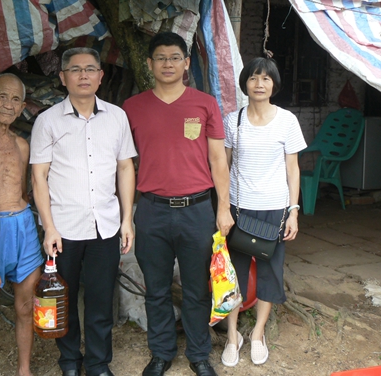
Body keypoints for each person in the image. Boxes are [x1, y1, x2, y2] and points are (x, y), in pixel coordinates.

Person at [122, 32, 234, 376]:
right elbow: (124, 164)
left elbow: (218, 159)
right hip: (151, 210)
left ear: (186, 63)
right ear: (149, 64)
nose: (167, 64)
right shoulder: (132, 108)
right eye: (160, 58)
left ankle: (199, 355)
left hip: (197, 211)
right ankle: (161, 353)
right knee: (155, 289)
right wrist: (127, 216)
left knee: (197, 289)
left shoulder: (205, 104)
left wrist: (223, 208)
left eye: (174, 57)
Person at [30, 48, 137, 376]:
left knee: (100, 299)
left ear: (100, 76)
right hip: (63, 229)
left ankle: (98, 363)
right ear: (63, 77)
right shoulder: (47, 121)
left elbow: (125, 167)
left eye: (90, 69)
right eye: (75, 70)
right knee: (62, 298)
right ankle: (69, 362)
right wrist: (48, 227)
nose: (83, 75)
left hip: (105, 225)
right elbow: (38, 176)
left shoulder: (117, 117)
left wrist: (127, 220)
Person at [221, 57, 305, 368]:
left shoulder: (287, 121)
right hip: (238, 210)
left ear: (274, 85)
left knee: (270, 273)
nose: (259, 84)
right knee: (234, 276)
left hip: (275, 211)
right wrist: (222, 208)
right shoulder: (233, 121)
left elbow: (293, 169)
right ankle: (232, 336)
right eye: (254, 78)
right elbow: (223, 166)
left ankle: (257, 334)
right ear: (245, 83)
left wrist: (293, 211)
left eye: (266, 78)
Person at [0, 73, 44, 376]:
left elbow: (25, 191)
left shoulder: (22, 145)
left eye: (16, 99)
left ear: (22, 107)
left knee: (26, 306)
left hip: (23, 227)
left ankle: (24, 370)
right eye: (2, 96)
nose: (8, 104)